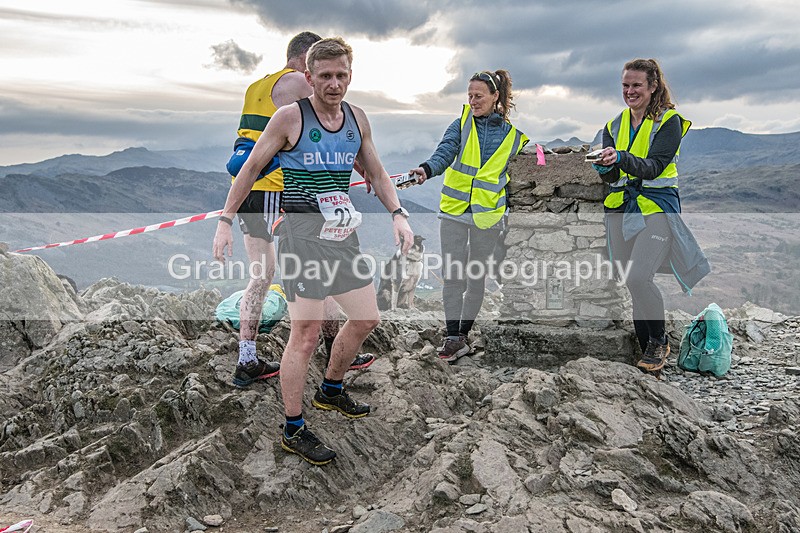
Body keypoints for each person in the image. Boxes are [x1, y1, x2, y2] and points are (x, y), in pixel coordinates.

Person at [214, 37, 414, 465]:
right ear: (309, 77)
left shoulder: (357, 119)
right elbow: (250, 169)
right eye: (325, 76)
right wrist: (225, 221)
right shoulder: (290, 118)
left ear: (350, 76)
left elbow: (375, 172)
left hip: (342, 234)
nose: (334, 84)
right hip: (301, 236)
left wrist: (398, 213)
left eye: (341, 75)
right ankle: (293, 428)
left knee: (366, 317)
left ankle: (331, 390)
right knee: (304, 336)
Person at [215, 31, 373, 389]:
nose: (324, 81)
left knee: (261, 274)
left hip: (247, 192)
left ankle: (247, 357)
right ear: (306, 62)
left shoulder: (258, 85)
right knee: (313, 269)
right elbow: (327, 127)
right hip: (277, 190)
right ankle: (332, 349)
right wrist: (362, 169)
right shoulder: (294, 85)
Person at [592, 58, 709, 375]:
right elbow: (612, 175)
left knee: (638, 276)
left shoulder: (668, 122)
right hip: (621, 208)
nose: (629, 91)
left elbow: (655, 166)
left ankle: (659, 341)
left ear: (653, 86)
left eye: (636, 85)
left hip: (656, 206)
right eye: (625, 86)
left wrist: (621, 157)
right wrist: (605, 166)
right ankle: (647, 345)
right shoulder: (613, 126)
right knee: (633, 281)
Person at [409, 70, 528, 362]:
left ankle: (463, 335)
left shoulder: (514, 138)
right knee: (453, 276)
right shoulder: (461, 124)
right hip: (453, 212)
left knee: (476, 279)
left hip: (487, 217)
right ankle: (452, 338)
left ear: (495, 97)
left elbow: (527, 170)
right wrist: (426, 169)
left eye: (479, 96)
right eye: (470, 96)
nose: (473, 101)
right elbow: (445, 152)